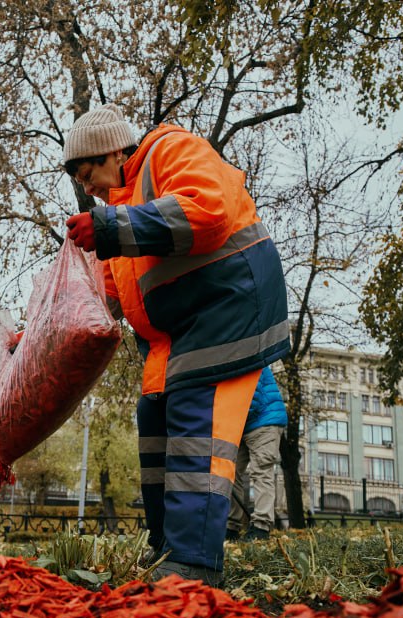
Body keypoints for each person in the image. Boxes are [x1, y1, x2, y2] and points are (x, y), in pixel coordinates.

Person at [62, 104, 290, 586]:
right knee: (155, 421)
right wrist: (43, 340)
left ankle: (194, 563)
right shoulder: (119, 213)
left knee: (194, 420)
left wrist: (109, 228)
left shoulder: (170, 149)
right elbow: (104, 301)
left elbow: (207, 211)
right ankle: (168, 549)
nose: (88, 189)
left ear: (113, 150)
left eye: (89, 174)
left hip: (226, 303)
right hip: (175, 333)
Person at [226, 365, 288, 541]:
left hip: (265, 420)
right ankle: (231, 527)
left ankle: (261, 527)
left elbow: (250, 398)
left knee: (261, 471)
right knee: (229, 471)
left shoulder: (247, 354)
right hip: (242, 423)